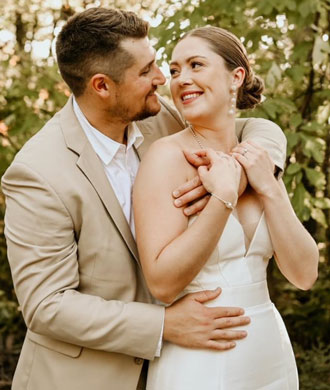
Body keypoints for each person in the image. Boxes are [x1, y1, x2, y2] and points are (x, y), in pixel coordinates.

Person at [1, 8, 295, 390]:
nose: (162, 79)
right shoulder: (38, 172)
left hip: (188, 368)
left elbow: (252, 125)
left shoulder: (158, 117)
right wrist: (164, 325)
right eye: (146, 72)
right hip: (87, 378)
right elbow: (46, 306)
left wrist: (239, 175)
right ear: (102, 86)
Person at [134, 26, 319, 390]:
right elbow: (163, 284)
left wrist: (269, 187)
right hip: (201, 358)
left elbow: (304, 274)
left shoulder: (256, 159)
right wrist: (221, 198)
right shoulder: (166, 157)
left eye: (196, 65)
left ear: (236, 77)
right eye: (174, 71)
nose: (181, 79)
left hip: (270, 353)